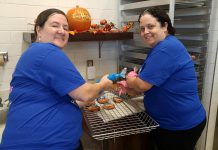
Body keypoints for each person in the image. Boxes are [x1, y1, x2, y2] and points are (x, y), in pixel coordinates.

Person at [0, 8, 113, 150]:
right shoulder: (46, 51)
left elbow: (60, 100)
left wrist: (96, 91)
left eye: (65, 27)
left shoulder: (34, 53)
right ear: (39, 30)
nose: (62, 31)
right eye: (55, 25)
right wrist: (103, 84)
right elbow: (85, 93)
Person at [125, 7, 206, 150]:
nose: (145, 32)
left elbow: (143, 85)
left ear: (164, 26)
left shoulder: (165, 48)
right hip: (169, 121)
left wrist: (129, 80)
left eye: (150, 26)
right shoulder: (163, 46)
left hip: (179, 125)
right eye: (142, 28)